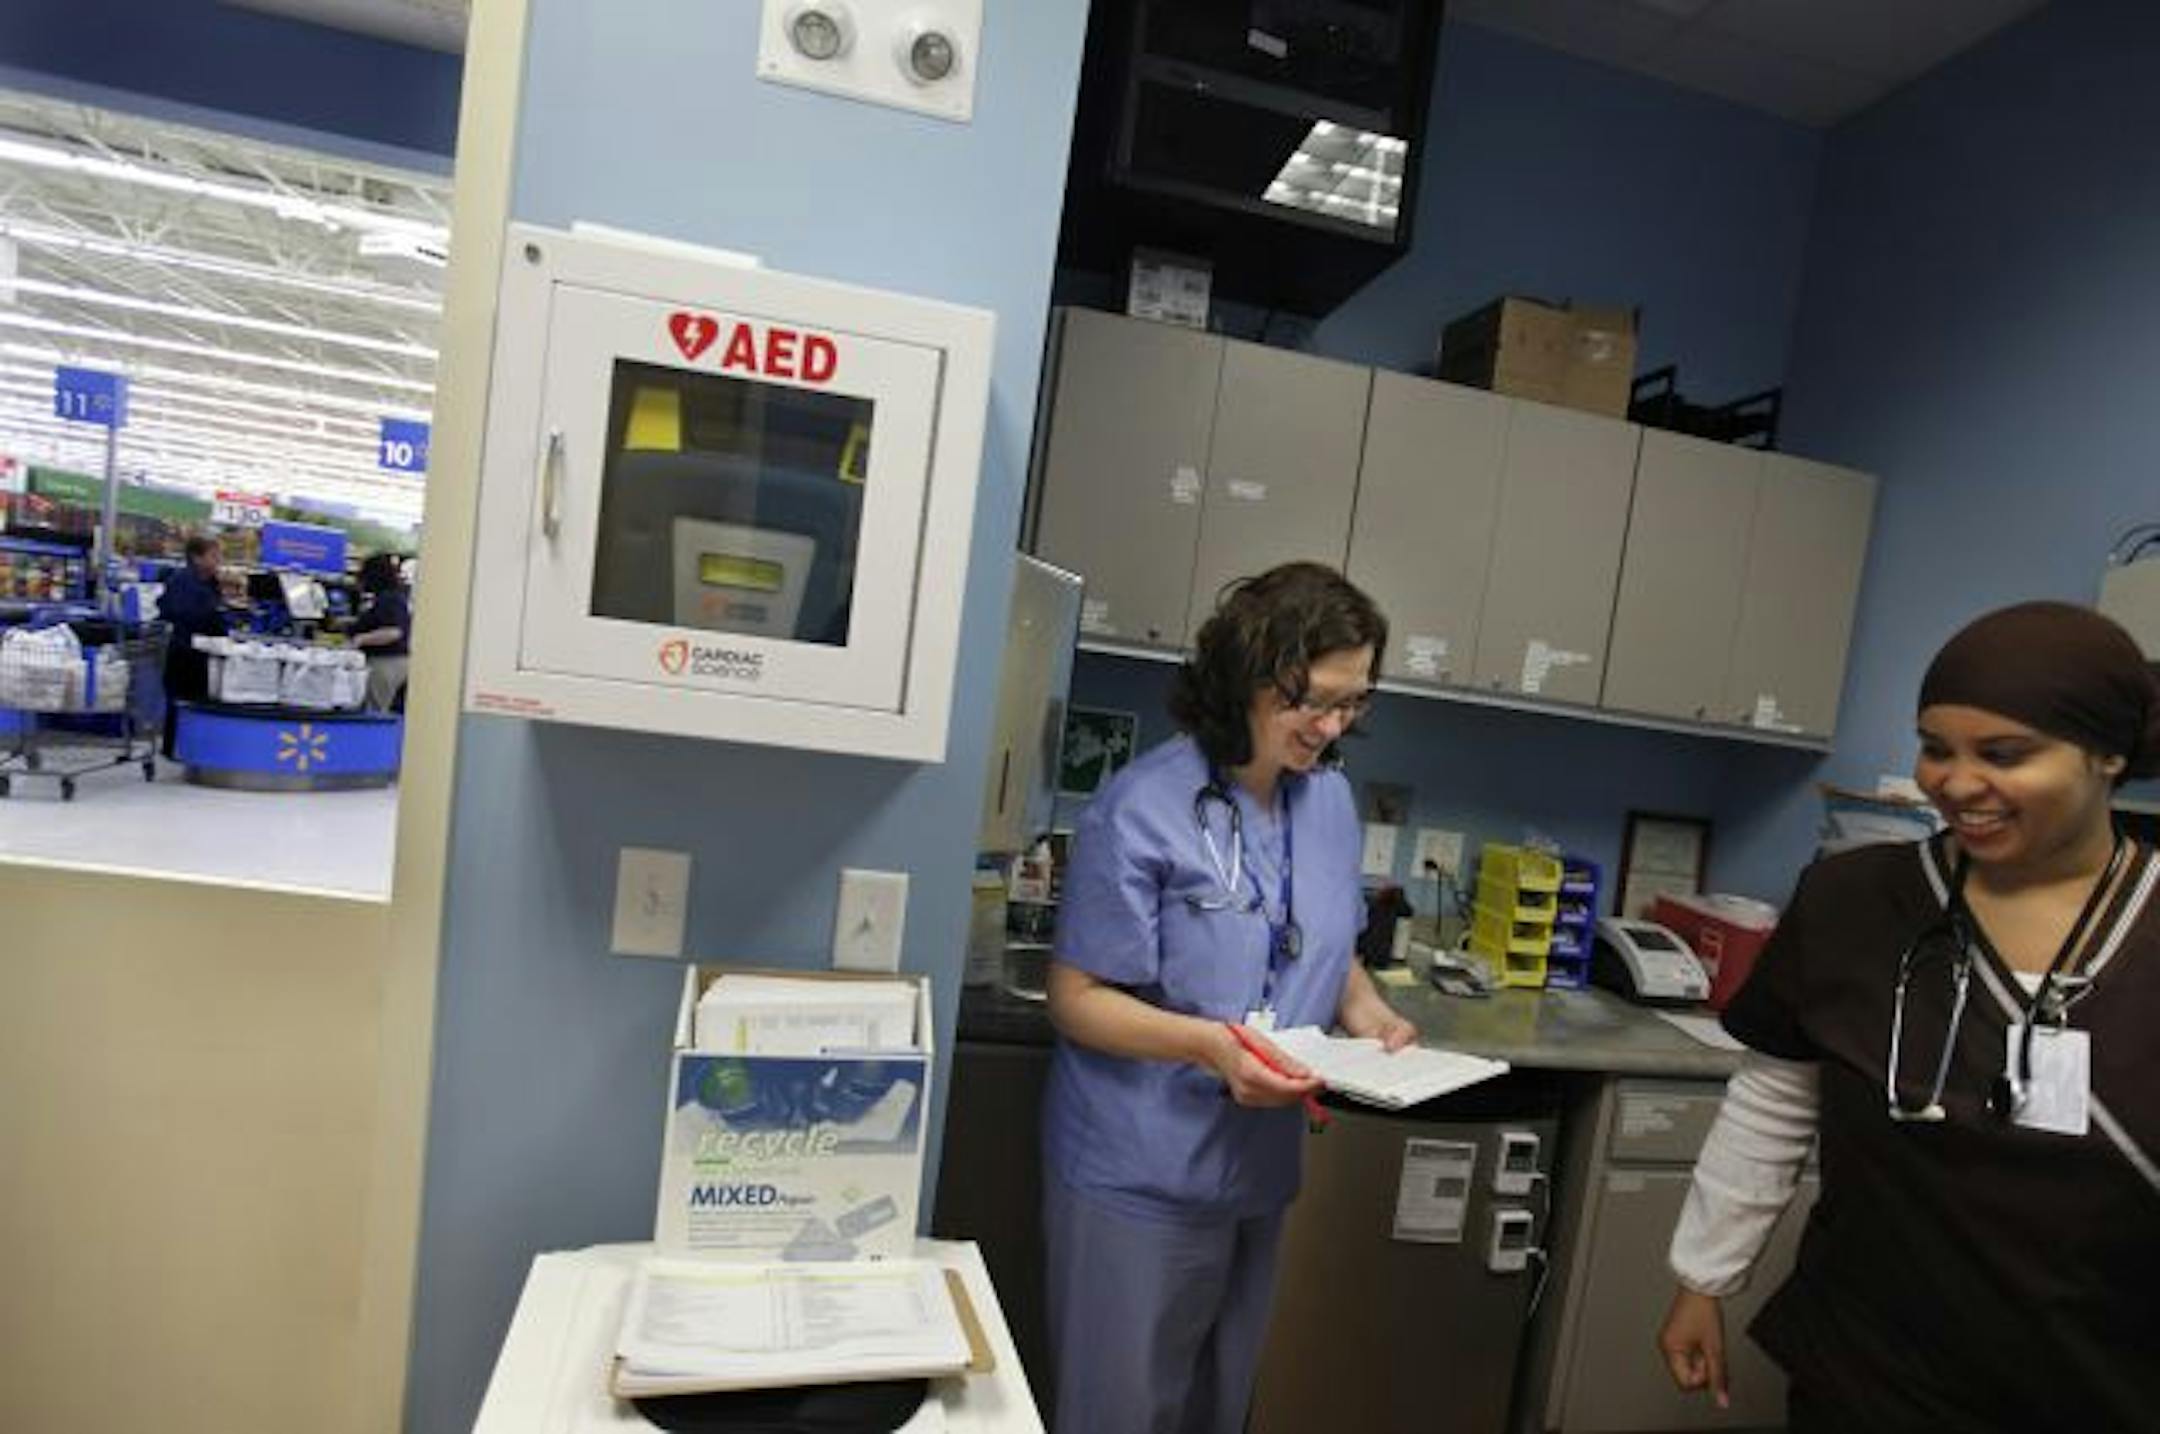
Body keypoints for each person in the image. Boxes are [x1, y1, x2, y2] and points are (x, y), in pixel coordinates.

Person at [1657, 601, 2160, 1433]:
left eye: (2004, 754)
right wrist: (1703, 1276)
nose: (1957, 783)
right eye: (1936, 749)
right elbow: (1774, 1104)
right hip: (1873, 1365)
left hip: (2102, 1378)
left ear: (2107, 755)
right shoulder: (1853, 900)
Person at [1041, 562, 1418, 1434]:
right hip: (1140, 1170)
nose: (1332, 726)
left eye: (1354, 702)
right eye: (1312, 700)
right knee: (1123, 1414)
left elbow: (1324, 943)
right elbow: (1077, 997)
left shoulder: (1328, 801)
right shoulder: (1138, 809)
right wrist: (1209, 1046)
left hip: (1257, 1169)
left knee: (1221, 1408)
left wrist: (1372, 1018)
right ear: (1248, 675)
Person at [156, 535, 228, 758]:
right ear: (197, 558)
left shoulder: (207, 581)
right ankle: (173, 748)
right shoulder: (183, 581)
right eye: (214, 556)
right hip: (183, 650)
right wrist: (214, 617)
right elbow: (181, 612)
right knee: (181, 702)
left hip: (199, 651)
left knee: (195, 700)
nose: (219, 560)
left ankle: (188, 747)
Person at [350, 552, 412, 711]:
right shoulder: (394, 597)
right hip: (397, 661)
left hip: (385, 663)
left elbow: (393, 632)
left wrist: (361, 639)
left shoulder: (389, 599)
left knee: (374, 710)